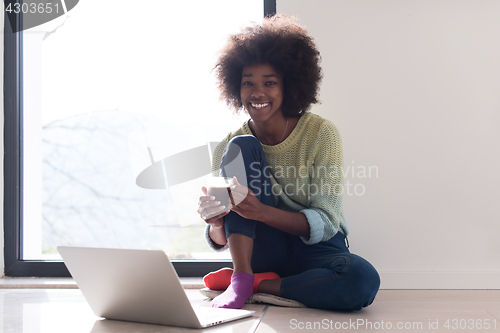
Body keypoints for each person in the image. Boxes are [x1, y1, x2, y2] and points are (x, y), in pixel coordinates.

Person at [197, 14, 380, 311]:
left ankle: (257, 285)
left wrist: (261, 211)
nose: (257, 93)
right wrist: (216, 222)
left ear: (289, 86)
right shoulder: (230, 147)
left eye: (269, 83)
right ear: (236, 87)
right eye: (248, 83)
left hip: (316, 248)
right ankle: (242, 277)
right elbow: (220, 238)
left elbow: (327, 220)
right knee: (240, 147)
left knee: (361, 279)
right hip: (262, 247)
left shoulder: (321, 134)